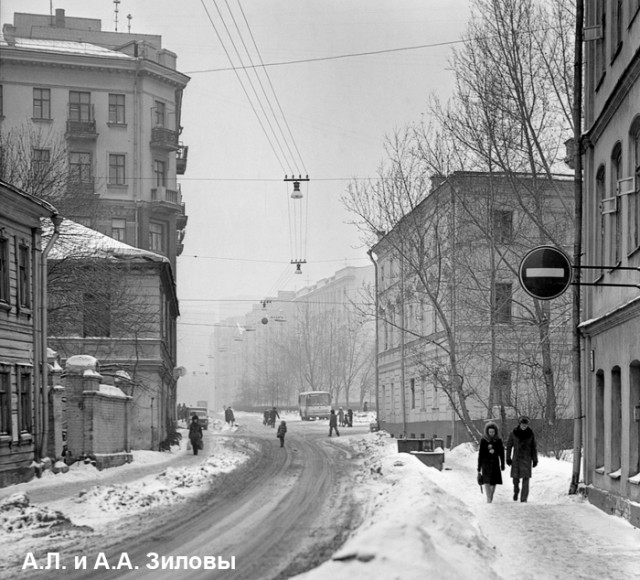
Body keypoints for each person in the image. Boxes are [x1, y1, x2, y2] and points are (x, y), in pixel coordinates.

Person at [506, 415, 538, 502]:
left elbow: (533, 447)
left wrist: (535, 459)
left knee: (526, 478)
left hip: (527, 459)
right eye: (522, 424)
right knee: (515, 479)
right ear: (520, 424)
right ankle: (516, 491)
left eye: (525, 425)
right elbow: (509, 446)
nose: (524, 426)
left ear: (527, 425)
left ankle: (524, 499)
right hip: (516, 458)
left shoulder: (530, 434)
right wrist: (508, 458)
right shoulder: (513, 433)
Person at [477, 421, 505, 503]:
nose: (491, 433)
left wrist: (502, 464)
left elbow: (501, 453)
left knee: (494, 481)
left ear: (495, 431)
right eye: (490, 432)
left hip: (495, 463)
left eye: (493, 432)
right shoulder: (483, 440)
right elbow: (481, 454)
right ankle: (488, 498)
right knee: (486, 481)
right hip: (485, 464)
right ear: (487, 431)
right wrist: (479, 466)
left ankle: (491, 496)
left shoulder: (498, 440)